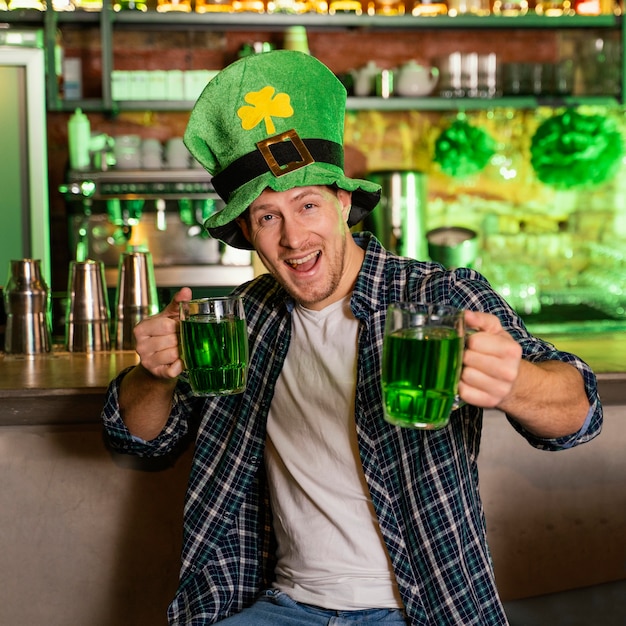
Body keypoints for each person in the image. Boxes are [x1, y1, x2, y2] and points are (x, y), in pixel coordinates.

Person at [102, 50, 602, 626]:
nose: (293, 238)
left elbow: (580, 414)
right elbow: (137, 442)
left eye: (307, 205)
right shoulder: (237, 320)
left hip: (420, 610)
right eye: (267, 217)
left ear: (343, 204)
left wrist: (514, 382)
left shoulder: (440, 296)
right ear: (246, 232)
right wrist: (153, 375)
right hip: (278, 606)